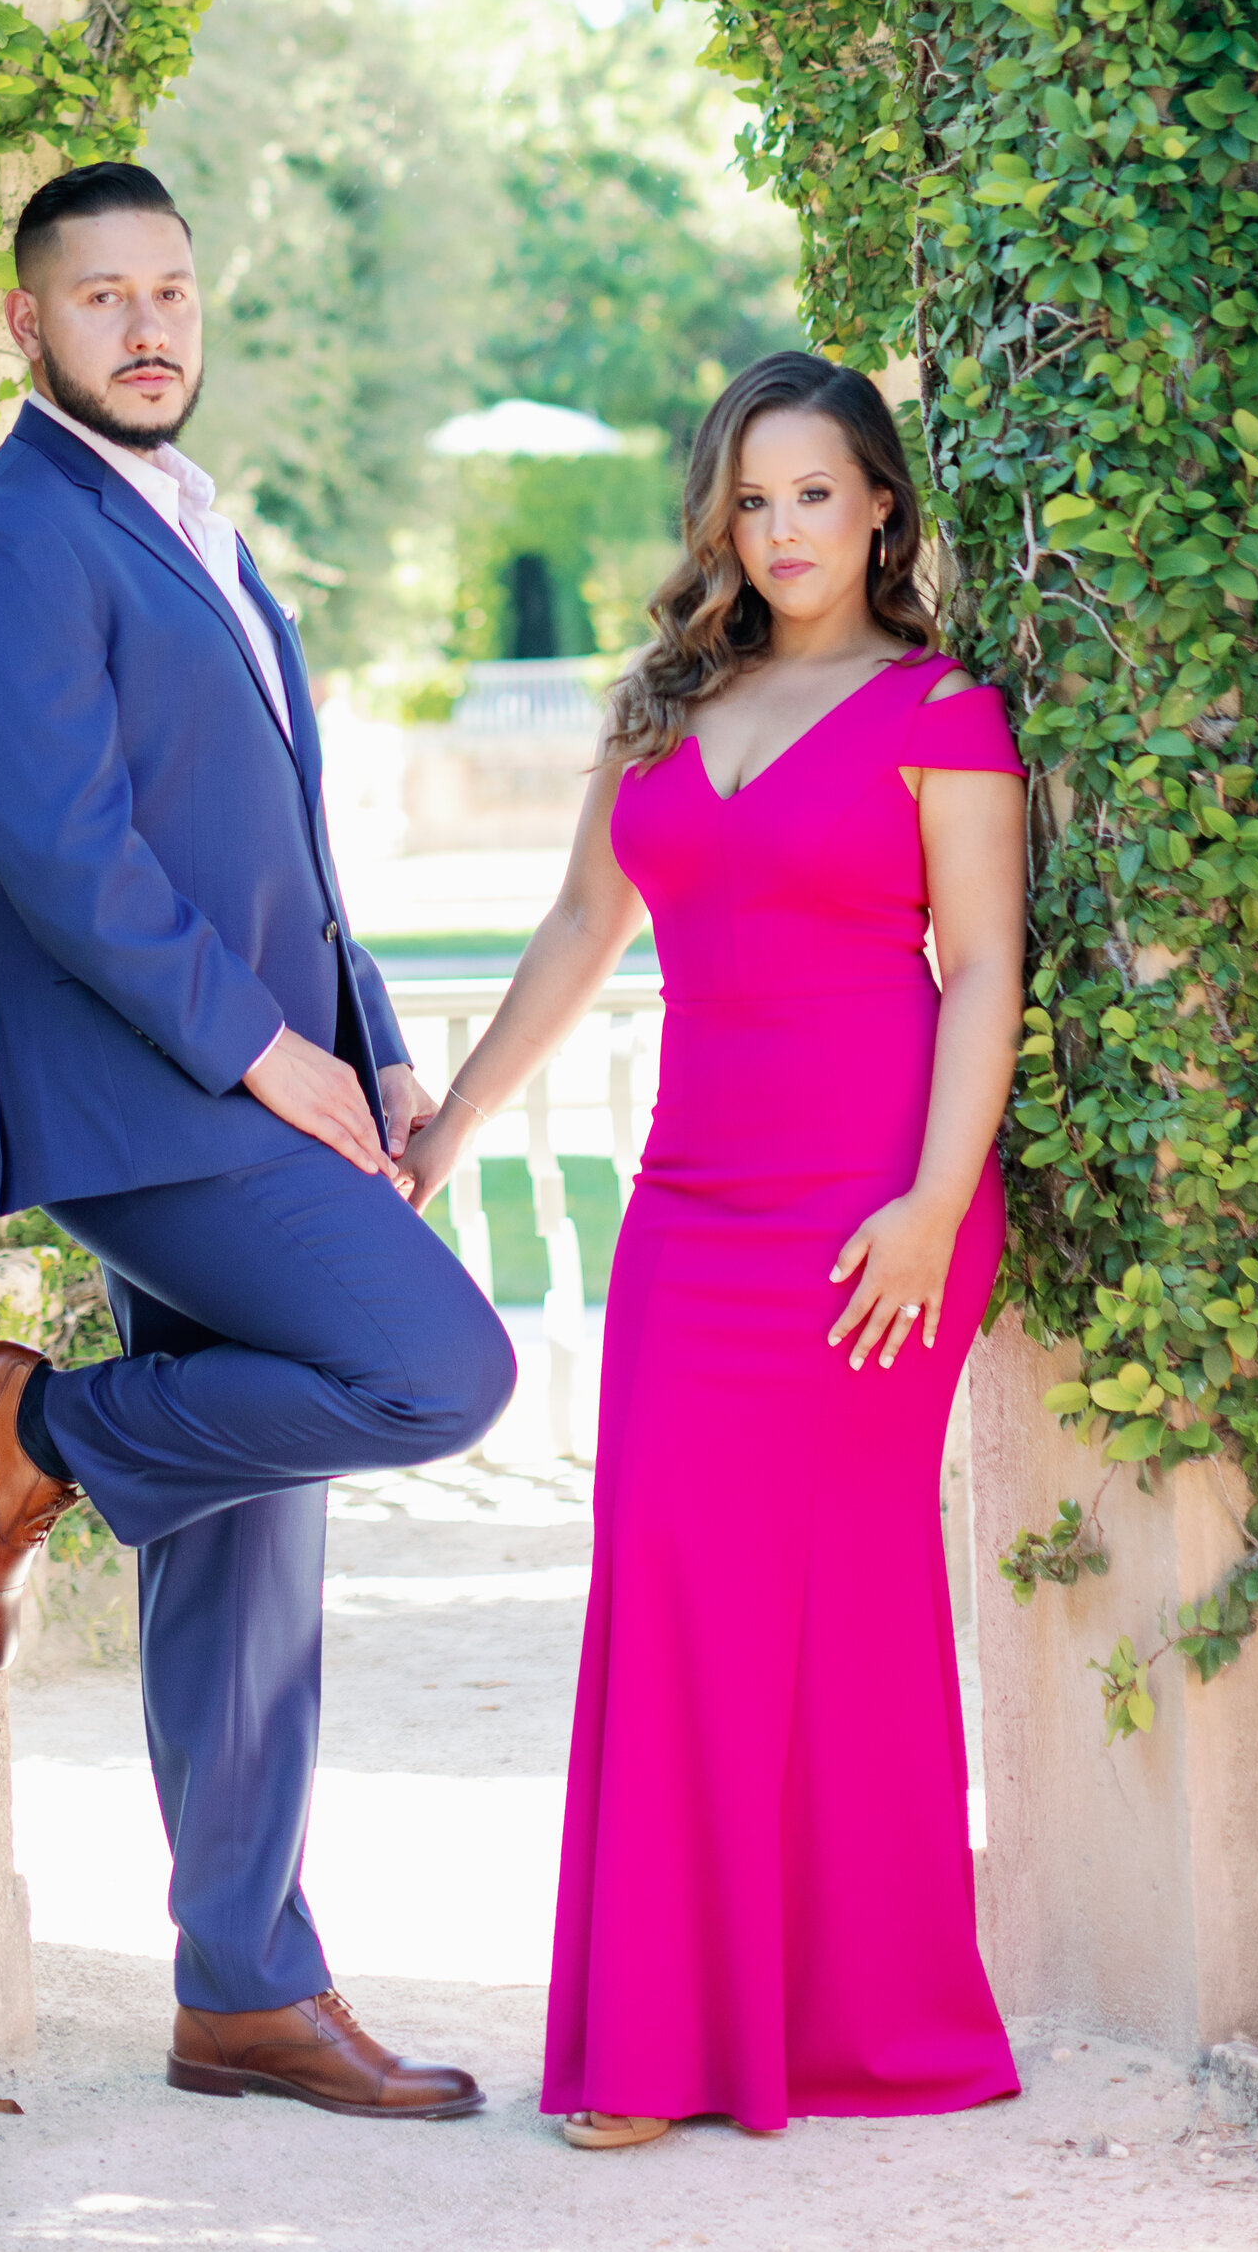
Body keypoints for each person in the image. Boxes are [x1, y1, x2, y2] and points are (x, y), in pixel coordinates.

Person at [0, 158, 514, 2122]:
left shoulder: (193, 526)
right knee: (429, 1369)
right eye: (101, 299)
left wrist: (377, 1049)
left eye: (169, 291)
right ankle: (39, 1439)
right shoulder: (2, 538)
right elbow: (66, 859)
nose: (147, 326)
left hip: (259, 1074)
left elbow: (291, 855)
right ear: (28, 325)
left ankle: (241, 1991)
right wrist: (269, 1062)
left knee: (250, 1544)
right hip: (142, 1102)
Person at [402, 350, 1028, 2146]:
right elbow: (584, 923)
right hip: (693, 1207)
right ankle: (668, 2037)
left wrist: (929, 1199)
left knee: (847, 1600)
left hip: (874, 1204)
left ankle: (868, 2024)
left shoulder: (944, 708)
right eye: (752, 501)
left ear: (882, 502)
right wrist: (446, 1130)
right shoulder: (665, 703)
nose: (782, 531)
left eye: (816, 493)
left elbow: (981, 964)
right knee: (672, 1579)